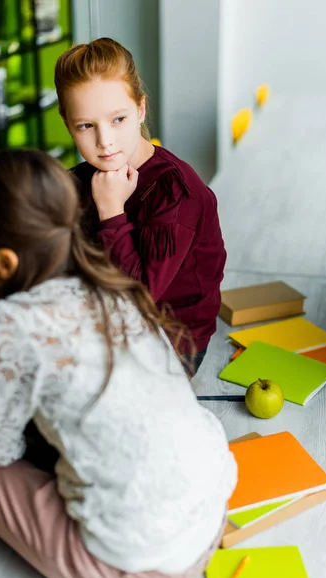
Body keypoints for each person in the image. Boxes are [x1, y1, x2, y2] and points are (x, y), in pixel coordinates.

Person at [0, 149, 237, 578]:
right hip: (206, 516)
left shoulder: (11, 321)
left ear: (5, 263)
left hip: (139, 566)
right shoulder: (106, 282)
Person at [54, 37, 227, 375]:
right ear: (68, 126)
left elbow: (138, 301)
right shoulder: (79, 180)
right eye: (86, 126)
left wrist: (111, 211)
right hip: (100, 324)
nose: (105, 142)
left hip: (168, 345)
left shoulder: (175, 192)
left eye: (118, 119)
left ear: (141, 109)